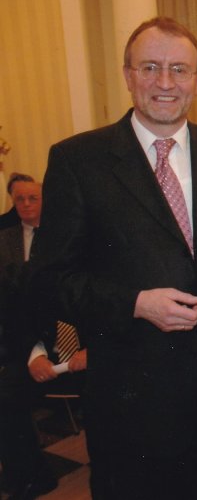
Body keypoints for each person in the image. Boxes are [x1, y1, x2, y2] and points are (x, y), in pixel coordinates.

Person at [30, 17, 197, 500]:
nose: (165, 82)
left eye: (179, 69)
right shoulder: (79, 160)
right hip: (128, 403)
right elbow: (48, 279)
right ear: (128, 74)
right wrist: (135, 302)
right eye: (150, 67)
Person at [0, 178, 58, 499]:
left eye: (32, 197)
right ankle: (24, 473)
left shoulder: (60, 236)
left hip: (62, 336)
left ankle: (33, 474)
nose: (25, 204)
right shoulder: (5, 239)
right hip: (21, 337)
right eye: (18, 199)